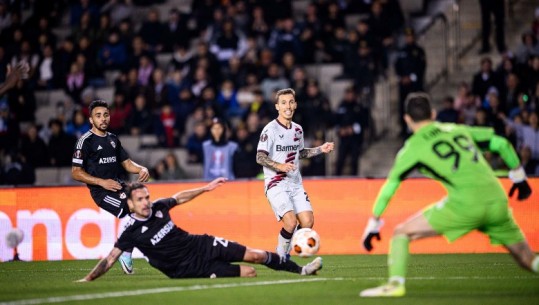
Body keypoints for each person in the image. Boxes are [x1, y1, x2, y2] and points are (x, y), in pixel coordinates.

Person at [359, 92, 537, 297]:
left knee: (401, 233)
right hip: (497, 198)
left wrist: (374, 223)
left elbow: (391, 187)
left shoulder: (411, 149)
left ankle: (395, 284)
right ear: (433, 114)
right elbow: (502, 144)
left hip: (466, 204)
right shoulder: (457, 129)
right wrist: (519, 176)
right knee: (527, 258)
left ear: (407, 119)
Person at [76, 177, 323, 281]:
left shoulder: (159, 207)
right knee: (249, 273)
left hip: (200, 244)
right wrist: (88, 279)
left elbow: (180, 197)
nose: (146, 202)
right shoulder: (130, 231)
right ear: (130, 203)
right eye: (140, 200)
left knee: (256, 255)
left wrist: (205, 188)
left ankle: (302, 270)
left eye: (147, 197)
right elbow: (109, 260)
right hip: (187, 268)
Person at [71, 99, 150, 275]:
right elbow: (76, 172)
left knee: (145, 209)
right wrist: (101, 181)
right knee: (133, 209)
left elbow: (127, 164)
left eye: (105, 115)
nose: (103, 119)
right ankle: (125, 250)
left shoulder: (113, 139)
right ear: (91, 119)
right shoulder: (85, 142)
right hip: (101, 191)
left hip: (118, 186)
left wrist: (141, 168)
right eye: (98, 116)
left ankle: (127, 250)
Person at [256, 88, 334, 259]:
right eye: (283, 103)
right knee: (290, 222)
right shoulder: (270, 130)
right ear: (277, 106)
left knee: (307, 222)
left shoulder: (298, 130)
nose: (288, 106)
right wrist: (279, 166)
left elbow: (301, 153)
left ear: (296, 104)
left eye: (291, 102)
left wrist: (320, 149)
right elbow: (260, 157)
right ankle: (281, 255)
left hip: (295, 183)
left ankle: (289, 250)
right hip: (276, 183)